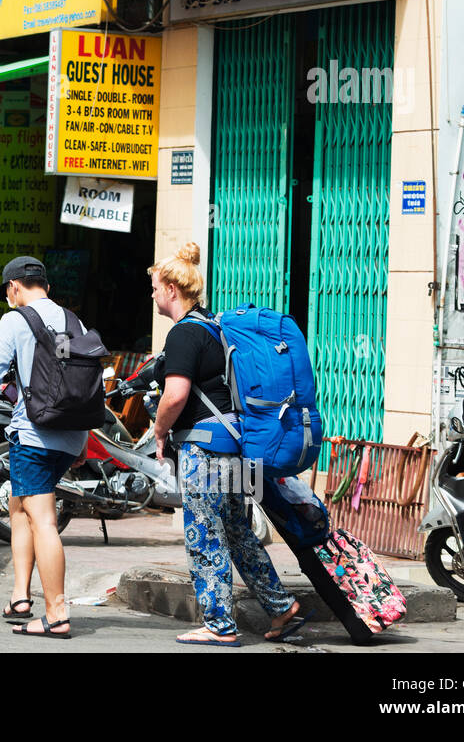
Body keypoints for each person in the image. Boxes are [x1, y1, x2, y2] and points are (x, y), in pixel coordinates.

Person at [148, 242, 306, 647]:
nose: (152, 296)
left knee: (204, 533)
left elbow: (176, 395)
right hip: (239, 444)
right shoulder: (215, 328)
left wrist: (160, 431)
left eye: (154, 287)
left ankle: (219, 623)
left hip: (204, 448)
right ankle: (280, 605)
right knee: (237, 531)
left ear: (171, 289)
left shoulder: (183, 334)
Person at [0, 256, 81, 638]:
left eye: (7, 292)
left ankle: (57, 612)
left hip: (35, 435)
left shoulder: (16, 320)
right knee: (19, 506)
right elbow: (63, 375)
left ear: (14, 287)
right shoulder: (69, 320)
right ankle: (20, 596)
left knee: (42, 518)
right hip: (70, 435)